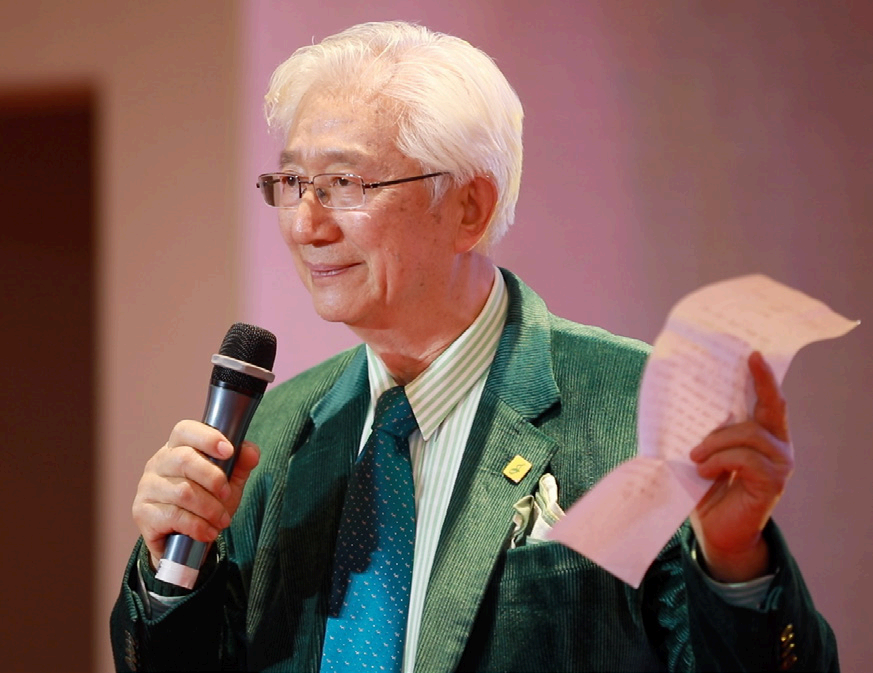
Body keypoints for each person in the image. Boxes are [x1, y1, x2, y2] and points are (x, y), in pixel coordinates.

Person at [110, 21, 838, 672]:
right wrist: (174, 568)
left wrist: (733, 565)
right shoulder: (274, 432)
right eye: (294, 181)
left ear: (469, 207)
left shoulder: (632, 408)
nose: (306, 224)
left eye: (344, 183)